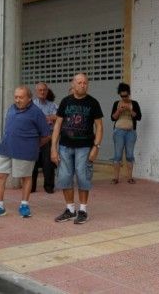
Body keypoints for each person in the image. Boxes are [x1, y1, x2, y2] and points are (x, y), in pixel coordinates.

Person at [0, 86, 50, 219]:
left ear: (29, 98)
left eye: (21, 97)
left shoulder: (36, 112)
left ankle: (24, 205)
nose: (17, 100)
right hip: (6, 148)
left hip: (25, 151)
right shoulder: (11, 108)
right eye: (16, 97)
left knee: (25, 177)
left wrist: (33, 146)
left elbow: (46, 135)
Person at [51, 73, 103, 224]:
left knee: (83, 177)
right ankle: (70, 210)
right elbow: (58, 125)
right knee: (65, 178)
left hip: (85, 147)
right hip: (65, 147)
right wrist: (54, 148)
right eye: (79, 83)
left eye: (85, 83)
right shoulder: (65, 102)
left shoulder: (93, 103)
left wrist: (96, 147)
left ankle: (83, 211)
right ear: (72, 84)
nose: (83, 85)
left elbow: (99, 127)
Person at [110, 82, 142, 184]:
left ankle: (130, 177)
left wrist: (130, 109)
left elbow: (139, 117)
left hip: (131, 132)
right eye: (122, 96)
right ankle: (115, 178)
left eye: (126, 95)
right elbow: (112, 118)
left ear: (129, 94)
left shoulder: (134, 103)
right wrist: (119, 111)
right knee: (117, 155)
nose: (124, 97)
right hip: (118, 131)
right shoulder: (116, 103)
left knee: (129, 155)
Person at [31, 82, 58, 193]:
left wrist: (42, 118)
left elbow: (57, 117)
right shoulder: (31, 105)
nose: (42, 92)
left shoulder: (52, 105)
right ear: (36, 92)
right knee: (33, 164)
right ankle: (31, 187)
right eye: (40, 90)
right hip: (34, 138)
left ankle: (49, 187)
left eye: (44, 90)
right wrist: (48, 118)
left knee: (48, 164)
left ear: (47, 91)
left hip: (47, 137)